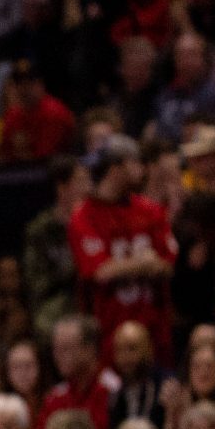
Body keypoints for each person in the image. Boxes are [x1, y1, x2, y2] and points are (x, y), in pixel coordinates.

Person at [70, 134, 178, 359]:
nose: (142, 169)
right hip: (109, 331)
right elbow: (100, 272)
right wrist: (144, 263)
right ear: (116, 169)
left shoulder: (150, 210)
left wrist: (124, 267)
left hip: (154, 328)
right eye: (136, 163)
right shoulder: (85, 216)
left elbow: (168, 265)